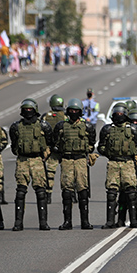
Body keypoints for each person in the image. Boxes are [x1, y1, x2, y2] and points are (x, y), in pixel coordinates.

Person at [52, 98, 97, 230]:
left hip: (81, 160)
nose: (73, 112)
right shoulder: (61, 126)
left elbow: (91, 143)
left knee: (83, 190)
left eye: (76, 111)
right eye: (71, 110)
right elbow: (56, 143)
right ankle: (67, 221)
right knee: (66, 191)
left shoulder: (87, 126)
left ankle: (85, 221)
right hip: (66, 160)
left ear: (80, 112)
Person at [9, 98, 53, 231]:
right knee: (20, 192)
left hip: (37, 160)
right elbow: (14, 144)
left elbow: (51, 142)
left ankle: (43, 222)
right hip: (22, 160)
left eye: (30, 109)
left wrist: (45, 155)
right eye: (26, 109)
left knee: (41, 192)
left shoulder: (43, 126)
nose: (28, 112)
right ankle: (18, 222)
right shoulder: (16, 127)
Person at [97, 103, 137, 229]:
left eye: (121, 113)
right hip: (113, 163)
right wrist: (109, 152)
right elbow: (101, 146)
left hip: (128, 163)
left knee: (131, 192)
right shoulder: (107, 129)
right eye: (116, 113)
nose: (118, 115)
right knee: (111, 192)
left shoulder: (133, 129)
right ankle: (110, 221)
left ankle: (133, 221)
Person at [40, 94, 66, 203]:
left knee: (50, 173)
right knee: (67, 173)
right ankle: (71, 194)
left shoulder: (46, 116)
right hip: (64, 149)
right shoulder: (65, 116)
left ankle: (48, 194)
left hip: (50, 149)